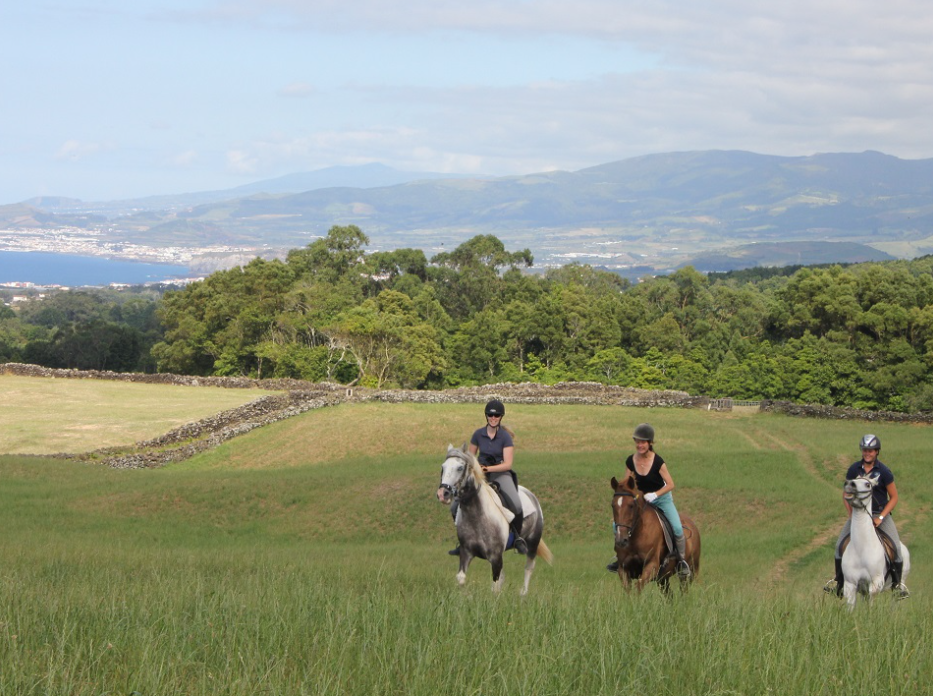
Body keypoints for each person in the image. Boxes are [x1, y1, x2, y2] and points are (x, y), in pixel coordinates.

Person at [823, 434, 909, 599]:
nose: (867, 453)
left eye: (870, 450)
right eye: (865, 450)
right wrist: (851, 515)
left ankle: (897, 586)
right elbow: (847, 494)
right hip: (858, 516)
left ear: (877, 451)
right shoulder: (854, 469)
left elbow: (894, 498)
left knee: (896, 549)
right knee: (839, 546)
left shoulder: (883, 471)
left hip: (879, 515)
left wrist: (881, 517)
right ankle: (839, 583)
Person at [607, 423, 691, 577]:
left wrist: (655, 495)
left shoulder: (658, 461)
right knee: (616, 524)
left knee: (678, 529)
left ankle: (681, 561)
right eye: (637, 442)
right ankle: (618, 556)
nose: (640, 445)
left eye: (643, 442)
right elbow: (627, 484)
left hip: (661, 499)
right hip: (642, 500)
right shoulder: (630, 461)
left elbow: (671, 484)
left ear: (650, 443)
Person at [448, 399, 528, 555]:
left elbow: (508, 464)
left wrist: (488, 468)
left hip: (500, 474)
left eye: (496, 415)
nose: (493, 418)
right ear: (486, 416)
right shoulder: (478, 434)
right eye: (490, 415)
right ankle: (463, 540)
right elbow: (470, 457)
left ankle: (518, 538)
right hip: (480, 475)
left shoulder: (505, 437)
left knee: (516, 504)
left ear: (501, 417)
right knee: (454, 506)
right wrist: (476, 469)